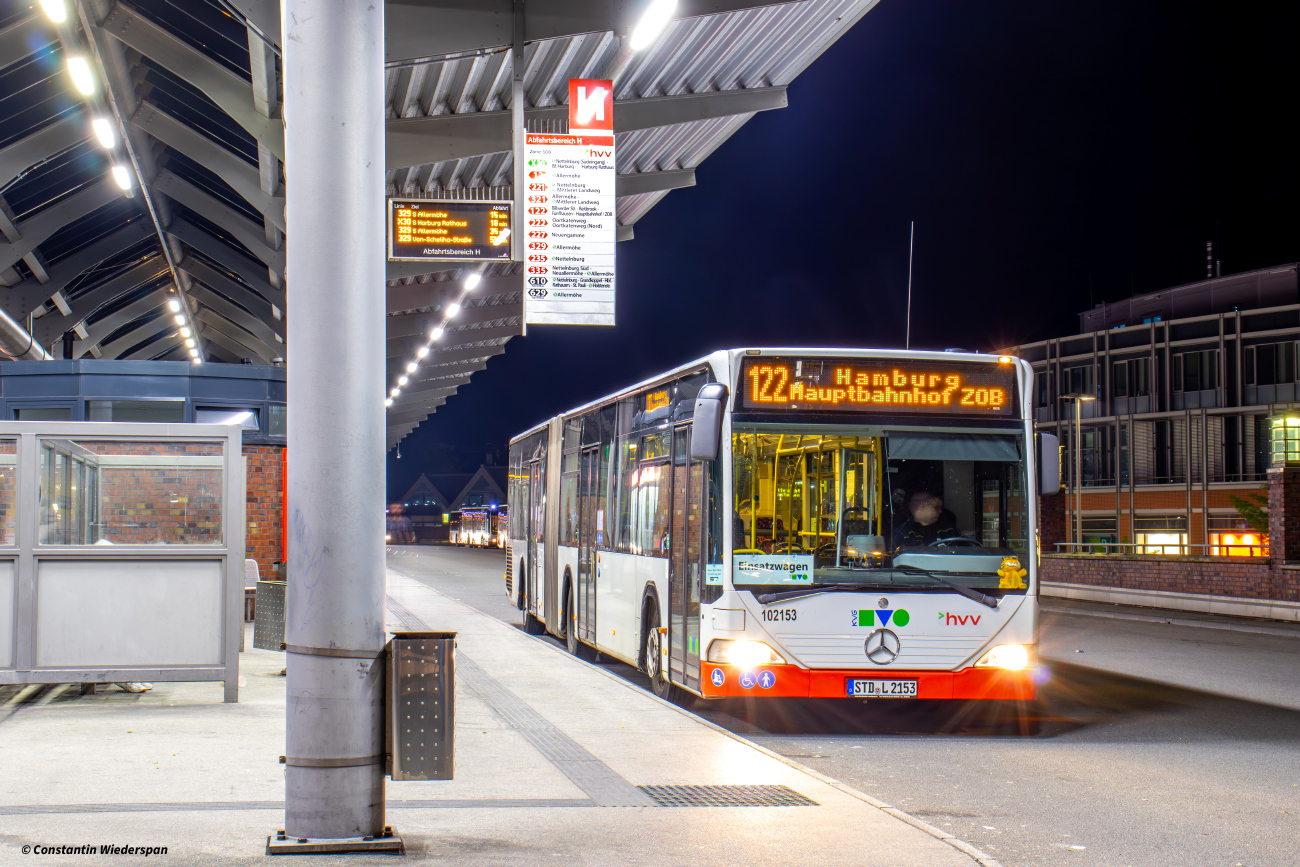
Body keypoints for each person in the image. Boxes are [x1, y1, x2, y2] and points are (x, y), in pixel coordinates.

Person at [892, 490, 961, 550]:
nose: (940, 511)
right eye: (936, 507)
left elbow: (959, 552)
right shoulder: (903, 532)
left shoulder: (946, 528)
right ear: (922, 506)